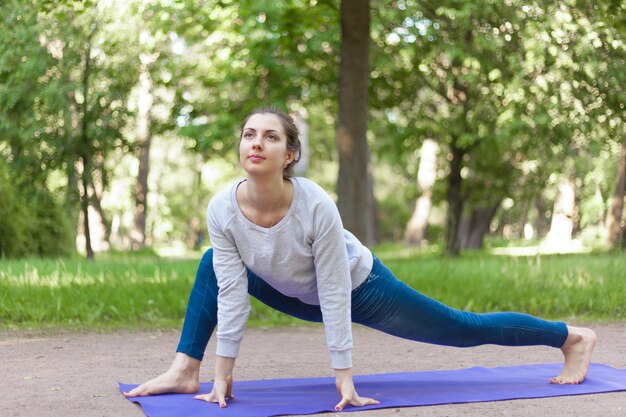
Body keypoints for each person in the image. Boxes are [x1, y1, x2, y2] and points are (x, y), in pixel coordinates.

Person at [124, 107, 597, 412]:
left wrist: (344, 380)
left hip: (360, 288)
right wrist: (220, 378)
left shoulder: (315, 205)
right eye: (249, 134)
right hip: (290, 289)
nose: (256, 143)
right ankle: (186, 371)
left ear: (289, 154)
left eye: (270, 137)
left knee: (459, 327)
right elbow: (231, 293)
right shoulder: (223, 208)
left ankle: (570, 337)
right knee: (212, 263)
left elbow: (334, 292)